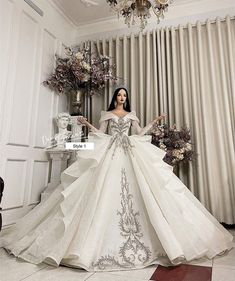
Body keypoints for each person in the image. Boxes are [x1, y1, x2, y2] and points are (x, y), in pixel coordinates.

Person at [0, 87, 234, 272]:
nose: (122, 97)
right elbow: (101, 134)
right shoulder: (107, 114)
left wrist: (153, 122)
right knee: (99, 191)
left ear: (126, 98)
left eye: (124, 95)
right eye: (119, 95)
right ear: (115, 98)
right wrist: (87, 124)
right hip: (110, 152)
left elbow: (139, 133)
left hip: (130, 152)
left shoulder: (131, 115)